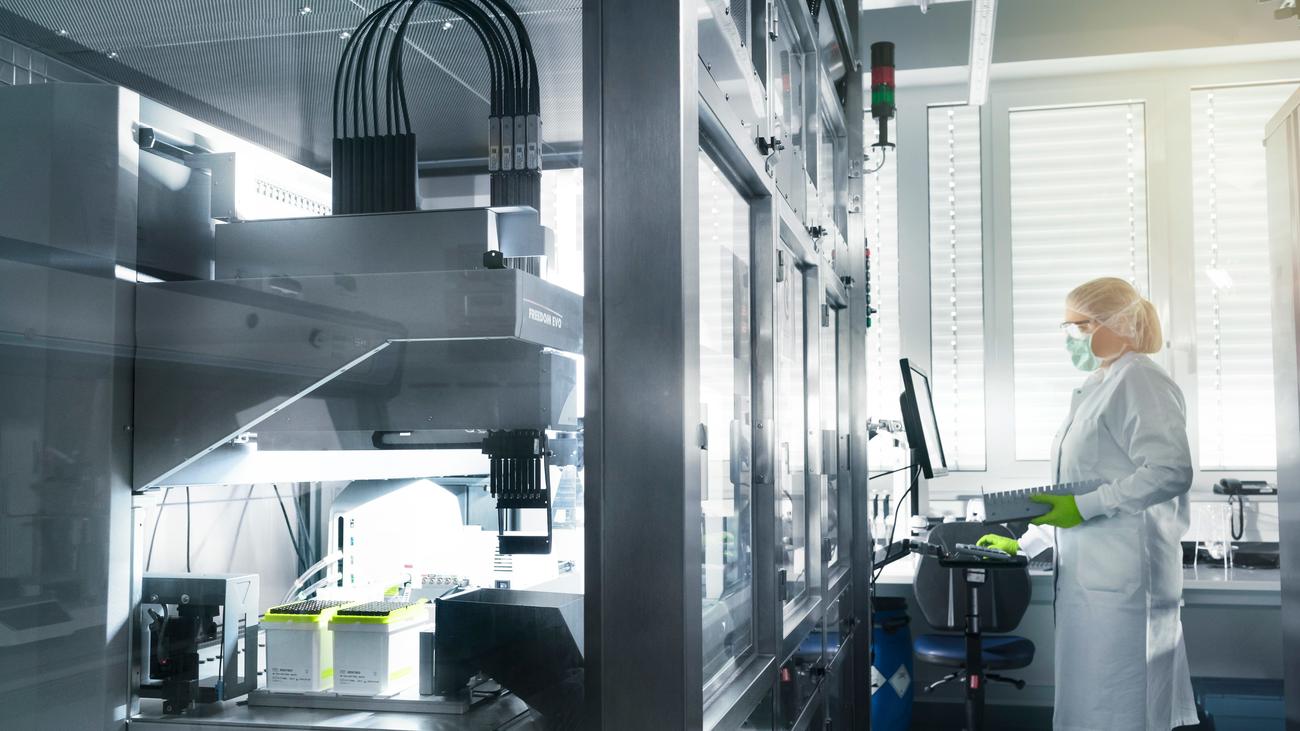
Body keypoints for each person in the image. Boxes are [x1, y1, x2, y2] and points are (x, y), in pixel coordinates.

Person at [978, 277, 1198, 731]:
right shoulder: (1100, 384)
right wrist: (1027, 542)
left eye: (1078, 327)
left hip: (1125, 586)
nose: (1071, 338)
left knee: (1121, 711)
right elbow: (1081, 490)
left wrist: (1086, 506)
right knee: (1091, 708)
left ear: (1114, 324)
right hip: (1093, 583)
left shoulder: (1140, 380)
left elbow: (1170, 471)